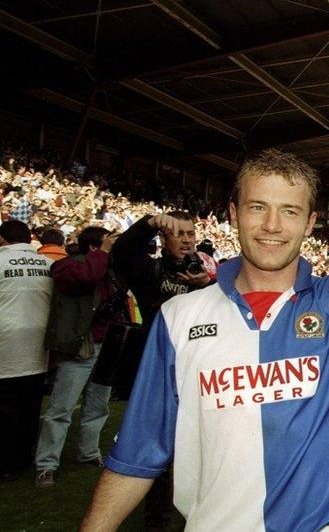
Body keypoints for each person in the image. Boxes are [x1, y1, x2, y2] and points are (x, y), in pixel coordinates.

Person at [81, 149, 329, 531]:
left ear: (310, 221)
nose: (272, 225)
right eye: (258, 207)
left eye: (290, 211)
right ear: (233, 214)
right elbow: (138, 450)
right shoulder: (179, 318)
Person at [108, 209, 213, 529]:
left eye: (190, 234)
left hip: (198, 374)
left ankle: (201, 515)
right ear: (164, 239)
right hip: (158, 375)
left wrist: (205, 286)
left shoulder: (208, 277)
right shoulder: (150, 271)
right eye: (178, 234)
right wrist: (149, 223)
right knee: (160, 453)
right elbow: (122, 251)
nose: (186, 240)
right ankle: (157, 520)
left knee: (202, 449)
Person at [34, 226, 118, 487]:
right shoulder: (69, 266)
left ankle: (89, 452)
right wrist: (103, 254)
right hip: (80, 345)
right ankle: (46, 464)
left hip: (106, 344)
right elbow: (85, 277)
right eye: (108, 245)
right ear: (94, 247)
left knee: (97, 405)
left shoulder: (109, 268)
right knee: (60, 408)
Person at [0, 220, 54, 482]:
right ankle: (23, 456)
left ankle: (8, 462)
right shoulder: (48, 264)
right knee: (30, 405)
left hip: (6, 344)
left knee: (6, 406)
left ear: (3, 239)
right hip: (38, 345)